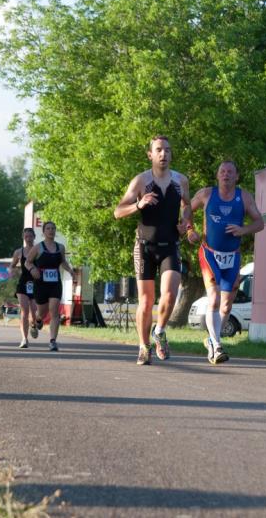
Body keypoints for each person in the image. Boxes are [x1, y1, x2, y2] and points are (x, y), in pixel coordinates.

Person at [114, 135, 194, 365]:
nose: (163, 154)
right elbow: (118, 211)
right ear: (150, 154)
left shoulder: (181, 181)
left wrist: (186, 224)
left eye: (167, 150)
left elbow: (187, 205)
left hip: (170, 245)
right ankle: (143, 346)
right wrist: (138, 204)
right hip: (145, 247)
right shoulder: (141, 181)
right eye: (158, 150)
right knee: (147, 301)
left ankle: (159, 331)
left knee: (169, 295)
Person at [189, 160, 263, 364]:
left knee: (226, 306)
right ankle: (216, 345)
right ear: (217, 175)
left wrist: (243, 230)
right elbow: (186, 209)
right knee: (213, 298)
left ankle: (212, 341)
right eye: (222, 171)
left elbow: (260, 222)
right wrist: (189, 229)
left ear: (236, 176)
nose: (226, 174)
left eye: (230, 172)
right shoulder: (206, 194)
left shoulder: (244, 197)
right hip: (209, 253)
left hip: (233, 256)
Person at [25, 221, 75, 352]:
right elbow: (27, 262)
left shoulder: (60, 247)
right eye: (48, 228)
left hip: (55, 283)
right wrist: (32, 270)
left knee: (54, 311)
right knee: (42, 312)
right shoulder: (38, 247)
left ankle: (53, 341)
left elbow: (63, 262)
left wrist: (70, 270)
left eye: (53, 228)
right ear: (43, 232)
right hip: (41, 284)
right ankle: (36, 321)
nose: (51, 230)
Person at [10, 227, 39, 348]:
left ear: (34, 237)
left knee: (34, 312)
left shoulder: (39, 250)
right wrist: (12, 272)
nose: (28, 239)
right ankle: (24, 339)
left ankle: (34, 325)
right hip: (23, 283)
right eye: (26, 236)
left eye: (30, 236)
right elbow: (12, 265)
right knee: (24, 311)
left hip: (36, 283)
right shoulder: (18, 252)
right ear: (23, 238)